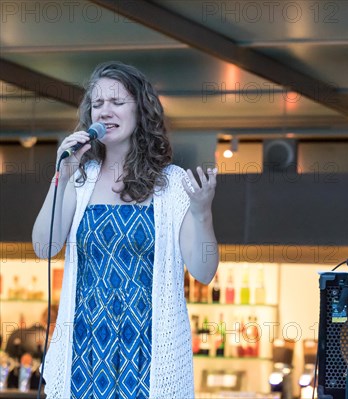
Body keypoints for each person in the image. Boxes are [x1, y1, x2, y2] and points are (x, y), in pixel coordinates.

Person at [31, 61, 219, 398]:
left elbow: (204, 272)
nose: (105, 111)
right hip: (83, 351)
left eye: (117, 102)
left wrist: (202, 213)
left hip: (149, 354)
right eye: (98, 104)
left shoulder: (172, 184)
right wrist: (60, 176)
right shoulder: (79, 178)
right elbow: (44, 247)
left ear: (141, 111)